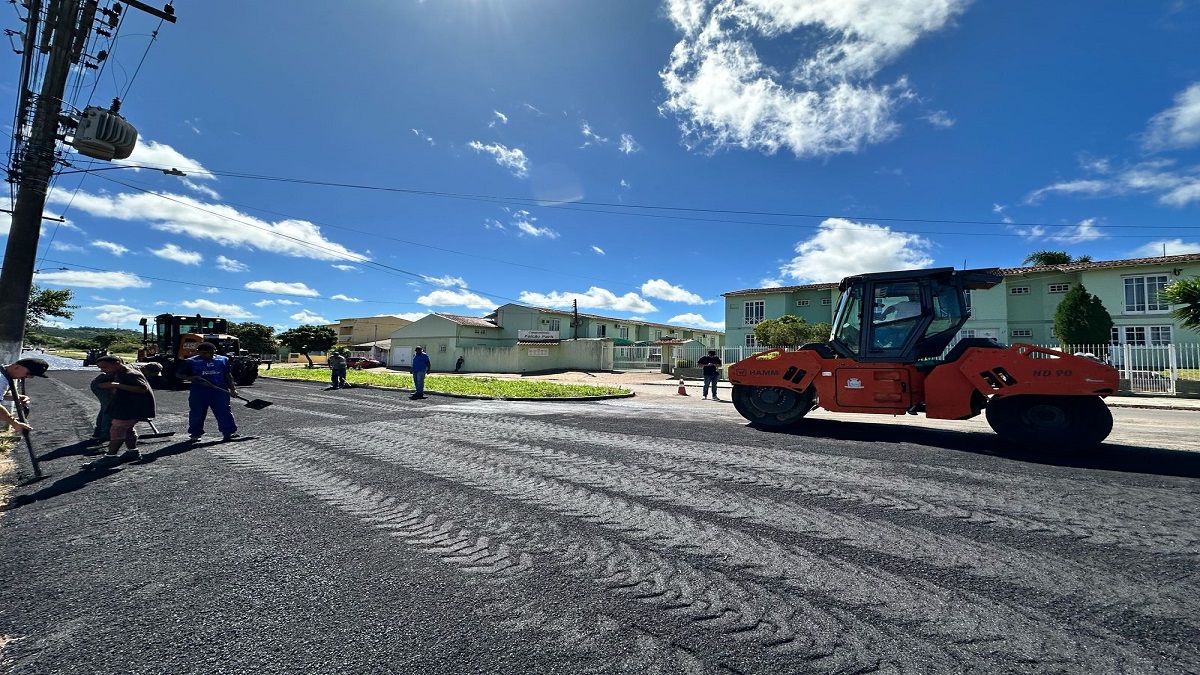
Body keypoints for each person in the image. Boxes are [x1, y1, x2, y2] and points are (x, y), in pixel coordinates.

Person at [85, 356, 156, 469]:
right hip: (127, 406)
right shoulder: (120, 373)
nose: (103, 370)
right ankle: (132, 451)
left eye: (105, 367)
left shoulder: (130, 374)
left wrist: (115, 385)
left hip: (132, 407)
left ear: (117, 363)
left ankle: (111, 457)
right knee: (128, 429)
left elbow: (142, 389)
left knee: (118, 429)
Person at [178, 342, 239, 442]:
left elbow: (228, 375)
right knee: (197, 413)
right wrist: (190, 378)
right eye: (204, 353)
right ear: (198, 352)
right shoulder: (190, 362)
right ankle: (195, 434)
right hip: (199, 391)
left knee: (224, 411)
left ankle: (228, 432)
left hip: (219, 390)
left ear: (214, 352)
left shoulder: (223, 360)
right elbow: (179, 374)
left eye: (210, 352)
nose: (207, 355)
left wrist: (233, 389)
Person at [0, 358, 48, 433]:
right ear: (17, 367)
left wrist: (18, 397)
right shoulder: (1, 379)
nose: (28, 377)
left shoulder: (4, 373)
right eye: (29, 373)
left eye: (32, 376)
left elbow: (3, 394)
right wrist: (14, 423)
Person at [89, 370, 115, 442]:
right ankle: (105, 434)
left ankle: (98, 432)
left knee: (105, 408)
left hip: (101, 382)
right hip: (101, 384)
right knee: (109, 408)